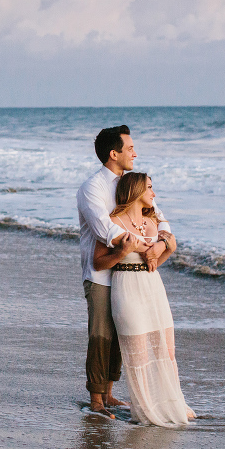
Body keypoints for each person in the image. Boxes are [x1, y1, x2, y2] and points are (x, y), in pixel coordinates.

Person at [76, 126, 165, 418]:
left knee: (121, 333)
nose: (135, 154)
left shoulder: (131, 184)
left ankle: (110, 392)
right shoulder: (93, 188)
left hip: (130, 275)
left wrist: (165, 240)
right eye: (130, 149)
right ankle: (96, 398)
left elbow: (157, 215)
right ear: (114, 154)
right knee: (101, 334)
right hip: (101, 272)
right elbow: (109, 231)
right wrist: (148, 246)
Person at [94, 172, 194, 426]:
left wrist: (167, 250)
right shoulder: (113, 223)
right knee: (137, 353)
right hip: (126, 288)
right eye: (150, 188)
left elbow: (153, 265)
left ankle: (170, 403)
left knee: (165, 350)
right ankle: (145, 409)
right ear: (137, 191)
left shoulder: (152, 224)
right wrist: (123, 251)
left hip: (153, 289)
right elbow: (98, 263)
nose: (154, 194)